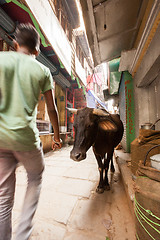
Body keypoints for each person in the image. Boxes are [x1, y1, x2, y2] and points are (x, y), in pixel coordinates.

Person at [0, 23, 62, 240]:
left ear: (15, 44)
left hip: (0, 140)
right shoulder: (43, 70)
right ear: (37, 51)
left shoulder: (1, 59)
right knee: (35, 177)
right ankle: (22, 234)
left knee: (3, 199)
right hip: (26, 139)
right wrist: (56, 137)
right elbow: (52, 108)